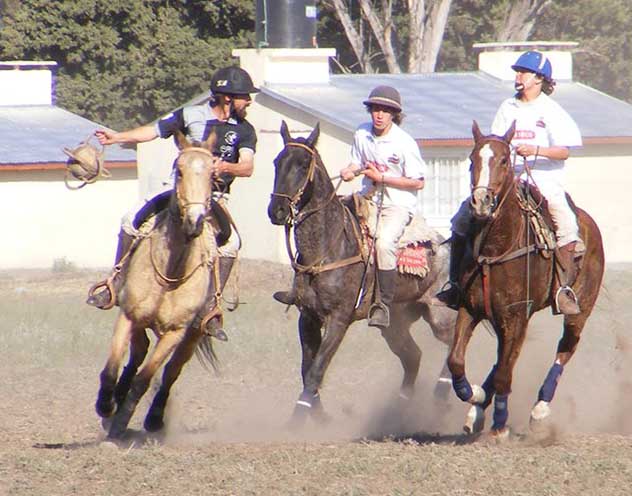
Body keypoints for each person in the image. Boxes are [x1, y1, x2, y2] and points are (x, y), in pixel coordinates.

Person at [86, 66, 259, 338]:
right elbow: (153, 131)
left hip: (213, 198)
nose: (249, 101)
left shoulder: (245, 130)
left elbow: (247, 167)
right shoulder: (191, 115)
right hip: (176, 190)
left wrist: (224, 167)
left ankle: (210, 309)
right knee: (130, 219)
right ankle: (114, 284)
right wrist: (117, 137)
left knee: (232, 243)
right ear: (227, 98)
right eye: (244, 97)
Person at [436, 50, 584, 315]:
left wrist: (536, 150)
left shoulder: (551, 111)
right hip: (508, 178)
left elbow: (564, 151)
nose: (518, 76)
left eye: (523, 72)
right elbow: (496, 144)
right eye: (517, 72)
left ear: (539, 78)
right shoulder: (508, 107)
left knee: (567, 225)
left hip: (543, 178)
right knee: (460, 220)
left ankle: (562, 289)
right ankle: (455, 286)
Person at [273, 85, 426, 329]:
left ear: (394, 114)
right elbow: (357, 161)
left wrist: (383, 178)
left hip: (396, 204)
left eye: (385, 111)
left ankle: (382, 305)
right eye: (375, 109)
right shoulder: (362, 132)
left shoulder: (404, 142)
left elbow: (418, 181)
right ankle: (299, 289)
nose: (379, 115)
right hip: (367, 198)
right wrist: (351, 169)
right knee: (324, 223)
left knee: (383, 243)